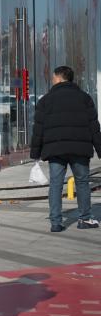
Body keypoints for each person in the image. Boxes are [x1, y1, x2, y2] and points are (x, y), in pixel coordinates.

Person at [30, 65, 101, 232]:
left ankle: (56, 222)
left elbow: (38, 129)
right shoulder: (84, 98)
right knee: (82, 182)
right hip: (79, 148)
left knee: (56, 184)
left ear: (59, 78)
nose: (52, 80)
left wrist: (35, 153)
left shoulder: (45, 100)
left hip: (55, 150)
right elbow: (94, 127)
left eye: (53, 77)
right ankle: (85, 219)